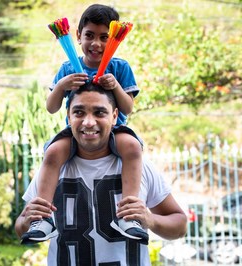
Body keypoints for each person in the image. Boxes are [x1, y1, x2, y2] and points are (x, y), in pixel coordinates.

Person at [14, 84, 186, 265]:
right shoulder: (51, 169)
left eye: (99, 113)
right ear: (68, 117)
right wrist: (26, 221)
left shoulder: (140, 166)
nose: (89, 122)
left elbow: (180, 224)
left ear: (114, 116)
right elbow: (21, 227)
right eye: (79, 112)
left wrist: (151, 220)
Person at [22, 3, 147, 244]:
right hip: (76, 131)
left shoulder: (120, 67)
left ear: (114, 39)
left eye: (104, 37)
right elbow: (51, 107)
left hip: (114, 129)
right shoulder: (68, 67)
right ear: (78, 36)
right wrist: (62, 85)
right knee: (53, 152)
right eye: (89, 35)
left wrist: (115, 86)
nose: (96, 44)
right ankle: (43, 217)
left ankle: (129, 216)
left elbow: (128, 108)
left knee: (132, 147)